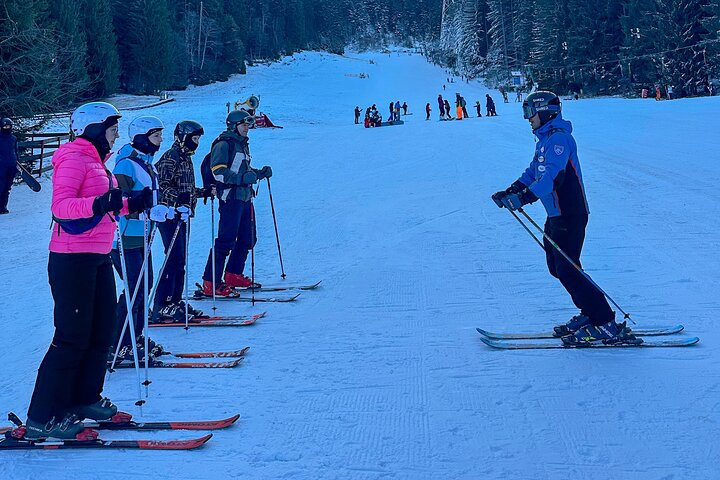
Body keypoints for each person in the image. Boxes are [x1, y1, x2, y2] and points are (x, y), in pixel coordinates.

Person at [25, 102, 154, 440]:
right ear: (95, 128)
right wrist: (103, 203)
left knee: (101, 331)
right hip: (72, 259)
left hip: (97, 255)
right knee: (72, 336)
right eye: (111, 127)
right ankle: (43, 416)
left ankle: (84, 399)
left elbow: (105, 202)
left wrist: (129, 203)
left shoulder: (98, 162)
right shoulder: (73, 158)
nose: (115, 133)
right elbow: (62, 207)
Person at [491, 91, 633, 346]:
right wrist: (511, 190)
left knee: (569, 269)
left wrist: (523, 199)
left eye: (529, 113)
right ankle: (591, 314)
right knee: (558, 268)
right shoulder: (545, 140)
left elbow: (551, 179)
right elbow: (533, 172)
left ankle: (605, 322)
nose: (527, 119)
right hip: (556, 215)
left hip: (570, 213)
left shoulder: (559, 140)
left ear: (545, 112)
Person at [110, 116, 168, 360]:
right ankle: (120, 342)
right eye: (156, 136)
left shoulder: (148, 164)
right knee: (134, 289)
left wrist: (165, 209)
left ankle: (136, 335)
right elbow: (117, 203)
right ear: (142, 137)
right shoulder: (126, 164)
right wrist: (142, 210)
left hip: (142, 236)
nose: (160, 141)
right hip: (123, 238)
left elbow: (150, 197)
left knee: (145, 287)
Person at [202, 110, 272, 294]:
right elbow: (218, 171)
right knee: (225, 241)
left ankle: (233, 274)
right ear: (233, 125)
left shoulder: (242, 145)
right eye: (244, 125)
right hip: (231, 198)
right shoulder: (224, 144)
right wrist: (242, 179)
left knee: (248, 238)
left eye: (248, 125)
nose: (247, 128)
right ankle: (211, 282)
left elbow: (243, 170)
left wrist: (258, 173)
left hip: (245, 197)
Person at [154, 120, 206, 322]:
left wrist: (202, 192)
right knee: (173, 258)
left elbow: (185, 189)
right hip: (169, 214)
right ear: (182, 137)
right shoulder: (171, 157)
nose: (196, 142)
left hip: (182, 214)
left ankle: (175, 300)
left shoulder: (185, 158)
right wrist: (178, 199)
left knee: (180, 260)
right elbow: (160, 185)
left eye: (198, 139)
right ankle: (163, 303)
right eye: (194, 138)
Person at [0, 118, 19, 214]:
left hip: (11, 166)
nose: (7, 128)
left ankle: (3, 207)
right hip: (1, 167)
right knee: (1, 187)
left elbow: (15, 152)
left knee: (7, 188)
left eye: (8, 126)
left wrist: (17, 164)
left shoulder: (13, 139)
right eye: (5, 126)